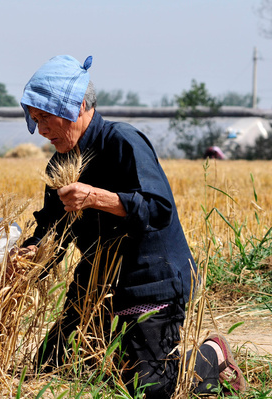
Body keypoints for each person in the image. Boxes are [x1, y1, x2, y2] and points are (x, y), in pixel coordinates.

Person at [12, 55, 246, 398]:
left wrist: (96, 197)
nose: (42, 129)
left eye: (45, 117)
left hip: (151, 282)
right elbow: (53, 230)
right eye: (35, 120)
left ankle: (211, 355)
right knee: (54, 366)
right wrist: (30, 256)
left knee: (147, 388)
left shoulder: (123, 141)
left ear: (75, 107)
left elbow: (158, 208)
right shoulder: (59, 163)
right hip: (97, 281)